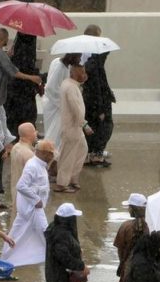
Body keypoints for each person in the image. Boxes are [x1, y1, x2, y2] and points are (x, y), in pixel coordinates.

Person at [1, 140, 54, 268]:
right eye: (50, 154)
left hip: (28, 208)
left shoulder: (39, 165)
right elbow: (21, 186)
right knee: (45, 232)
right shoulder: (33, 166)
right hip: (32, 208)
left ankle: (5, 258)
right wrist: (36, 199)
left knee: (16, 231)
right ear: (43, 153)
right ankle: (54, 257)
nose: (52, 156)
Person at [0, 28, 42, 133]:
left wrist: (7, 56)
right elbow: (15, 73)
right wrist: (32, 78)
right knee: (0, 122)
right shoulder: (0, 55)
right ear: (5, 39)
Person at [81, 25, 116, 167]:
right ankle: (96, 154)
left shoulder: (82, 57)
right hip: (98, 100)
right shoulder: (95, 62)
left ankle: (89, 153)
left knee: (91, 125)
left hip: (87, 98)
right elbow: (97, 85)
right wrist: (101, 108)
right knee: (104, 126)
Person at [52, 65, 89, 194]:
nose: (84, 74)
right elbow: (75, 108)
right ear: (74, 73)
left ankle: (73, 177)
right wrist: (84, 124)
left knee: (82, 149)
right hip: (72, 126)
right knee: (67, 156)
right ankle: (62, 183)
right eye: (82, 72)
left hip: (74, 127)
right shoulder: (70, 87)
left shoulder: (70, 85)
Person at [42, 53, 81, 151]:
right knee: (54, 132)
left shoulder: (60, 63)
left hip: (53, 103)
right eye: (79, 57)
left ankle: (53, 152)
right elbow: (51, 88)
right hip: (55, 104)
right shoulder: (60, 67)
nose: (80, 59)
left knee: (55, 131)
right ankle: (50, 152)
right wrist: (64, 103)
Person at [5, 33, 41, 137]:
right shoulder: (27, 51)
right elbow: (18, 71)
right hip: (24, 92)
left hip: (15, 92)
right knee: (25, 119)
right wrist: (32, 77)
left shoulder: (18, 48)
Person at [8, 122, 38, 222]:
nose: (36, 133)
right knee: (23, 218)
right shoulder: (28, 154)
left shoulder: (16, 147)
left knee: (16, 215)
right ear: (30, 134)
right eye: (34, 131)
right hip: (25, 191)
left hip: (16, 186)